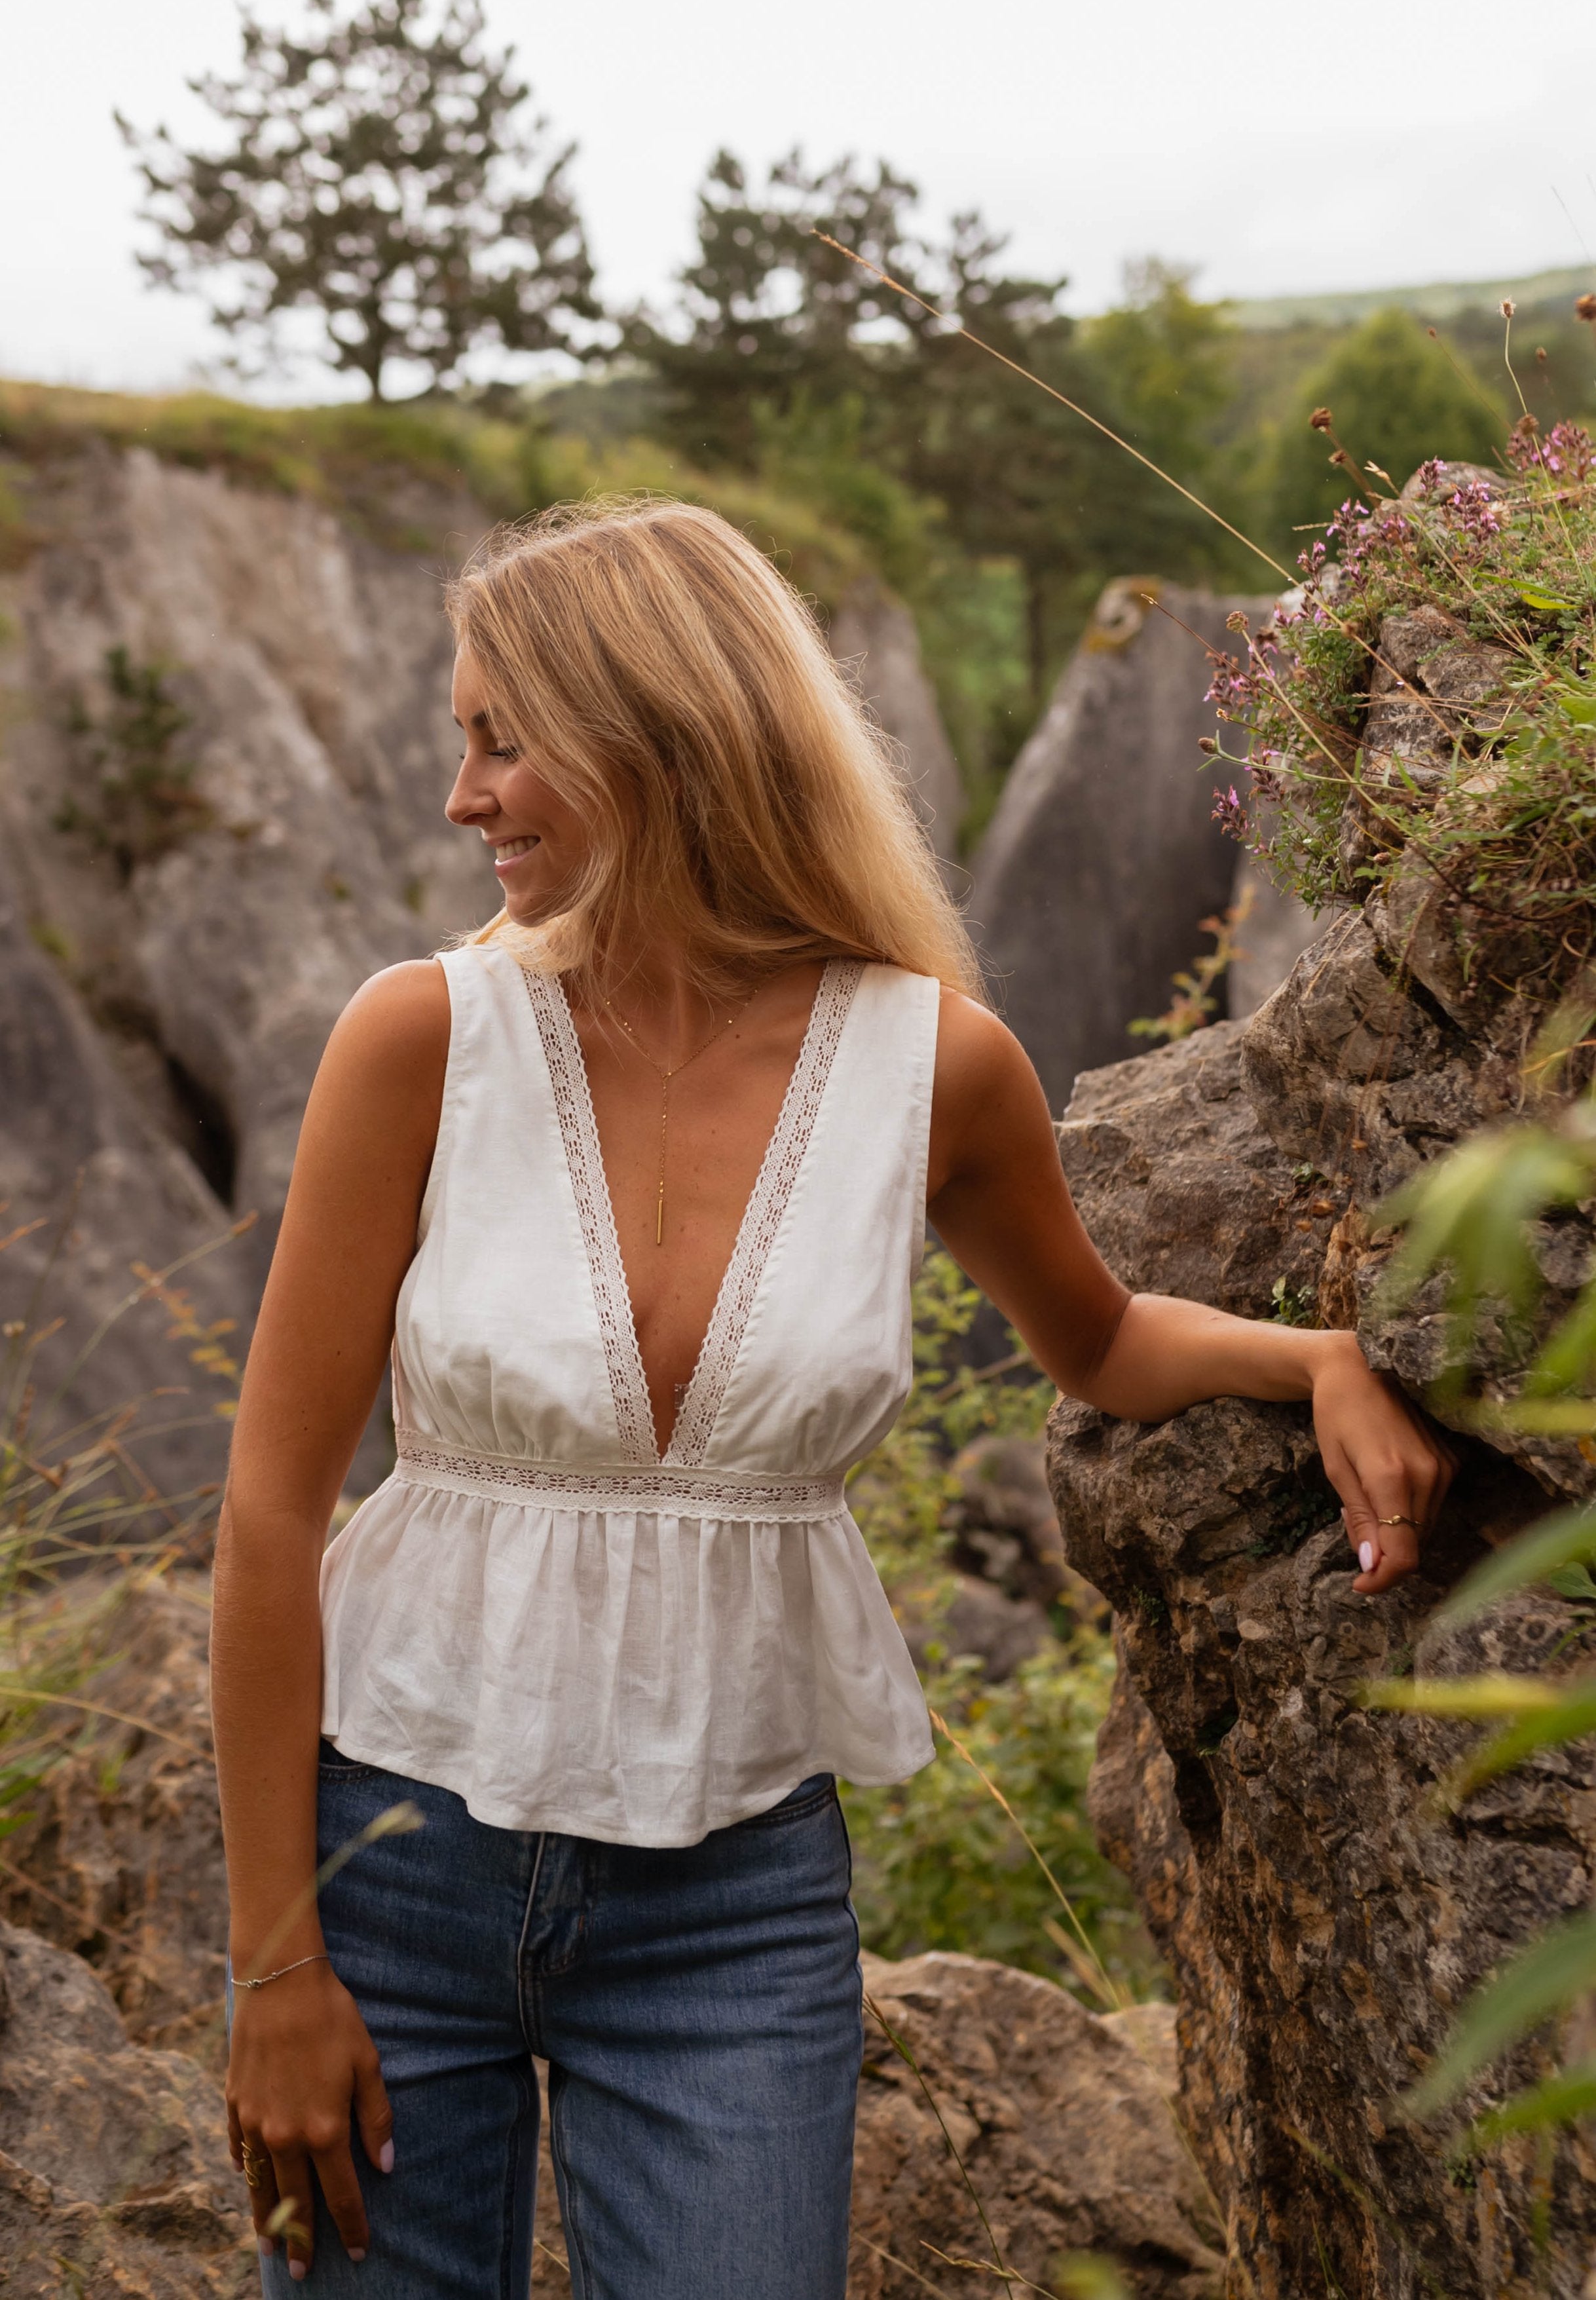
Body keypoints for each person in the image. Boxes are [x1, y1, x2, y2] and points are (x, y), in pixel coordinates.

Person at [213, 498, 1450, 2298]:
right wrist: (273, 1962)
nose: (463, 797)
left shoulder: (936, 1065)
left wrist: (1321, 1357)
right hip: (389, 1866)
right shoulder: (420, 1038)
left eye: (502, 740)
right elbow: (269, 1513)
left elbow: (1099, 1341)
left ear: (656, 736)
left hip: (730, 1916)